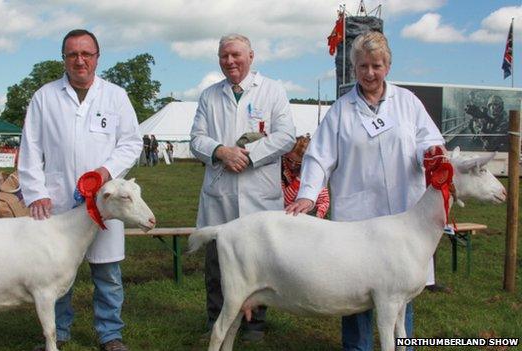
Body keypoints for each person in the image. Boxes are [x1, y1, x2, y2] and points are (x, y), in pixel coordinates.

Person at [285, 31, 445, 351]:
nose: (369, 73)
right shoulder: (341, 110)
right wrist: (308, 193)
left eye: (376, 65)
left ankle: (403, 346)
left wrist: (430, 155)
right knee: (354, 288)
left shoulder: (408, 103)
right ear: (353, 69)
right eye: (362, 66)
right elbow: (319, 156)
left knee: (401, 285)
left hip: (404, 213)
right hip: (359, 216)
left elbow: (430, 142)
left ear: (388, 65)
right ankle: (357, 347)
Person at [18, 29, 143, 351]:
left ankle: (110, 334)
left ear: (97, 57)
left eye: (86, 54)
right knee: (54, 270)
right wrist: (36, 193)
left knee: (108, 271)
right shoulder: (45, 97)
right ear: (63, 59)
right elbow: (30, 148)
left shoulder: (115, 95)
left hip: (105, 199)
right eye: (72, 54)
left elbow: (131, 143)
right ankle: (57, 331)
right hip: (58, 199)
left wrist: (106, 171)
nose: (80, 60)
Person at [190, 33, 295, 341]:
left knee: (260, 263)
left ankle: (255, 323)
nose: (230, 61)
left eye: (236, 55)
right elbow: (196, 139)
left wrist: (250, 157)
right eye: (224, 56)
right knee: (217, 263)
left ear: (251, 56)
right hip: (219, 195)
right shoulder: (209, 96)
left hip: (257, 193)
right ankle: (216, 319)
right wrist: (221, 152)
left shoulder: (273, 91)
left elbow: (287, 135)